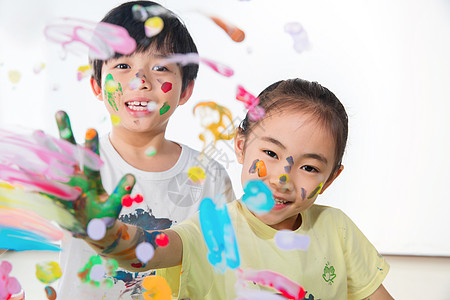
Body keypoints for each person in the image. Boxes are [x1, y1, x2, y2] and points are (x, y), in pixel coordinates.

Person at [55, 78, 394, 299]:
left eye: (309, 167)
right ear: (241, 147)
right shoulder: (212, 227)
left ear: (331, 177)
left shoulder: (338, 231)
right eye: (271, 154)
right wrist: (103, 232)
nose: (282, 177)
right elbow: (146, 252)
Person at [56, 1, 234, 299]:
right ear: (97, 85)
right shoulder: (74, 167)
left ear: (186, 90)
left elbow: (226, 271)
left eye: (161, 67)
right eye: (123, 66)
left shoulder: (210, 178)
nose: (140, 81)